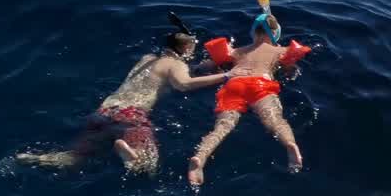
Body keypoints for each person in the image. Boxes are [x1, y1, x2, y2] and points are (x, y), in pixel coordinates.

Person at [16, 33, 240, 174]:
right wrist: (226, 76)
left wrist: (205, 66)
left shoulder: (147, 59)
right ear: (187, 50)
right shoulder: (174, 64)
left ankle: (36, 158)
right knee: (147, 166)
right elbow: (184, 83)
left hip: (105, 110)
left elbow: (179, 72)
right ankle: (130, 154)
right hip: (130, 115)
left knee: (76, 158)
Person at [187, 12, 303, 186]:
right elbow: (290, 70)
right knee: (274, 121)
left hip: (234, 83)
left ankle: (200, 157)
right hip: (261, 84)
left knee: (223, 126)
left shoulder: (237, 51)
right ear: (276, 33)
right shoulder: (281, 50)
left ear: (254, 32)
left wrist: (195, 66)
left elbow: (206, 65)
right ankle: (289, 145)